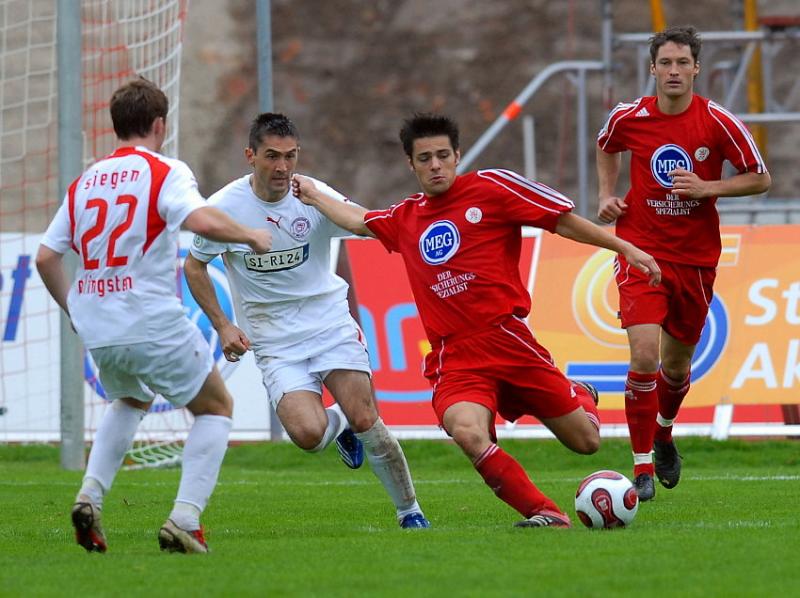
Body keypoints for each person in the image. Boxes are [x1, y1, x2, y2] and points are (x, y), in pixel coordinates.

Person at [292, 113, 662, 528]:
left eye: (443, 156)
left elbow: (561, 222)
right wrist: (312, 194)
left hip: (507, 339)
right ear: (410, 165)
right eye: (425, 158)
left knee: (586, 442)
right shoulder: (407, 218)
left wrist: (623, 247)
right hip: (457, 357)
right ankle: (546, 514)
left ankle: (581, 396)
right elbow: (359, 219)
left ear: (457, 156)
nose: (435, 165)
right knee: (466, 431)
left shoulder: (491, 187)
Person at [36, 77, 272, 554]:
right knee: (216, 407)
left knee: (128, 400)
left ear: (116, 124)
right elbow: (199, 219)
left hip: (99, 324)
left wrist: (74, 310)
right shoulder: (165, 170)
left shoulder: (84, 182)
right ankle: (185, 520)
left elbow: (45, 257)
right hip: (148, 318)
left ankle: (90, 495)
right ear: (159, 124)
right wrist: (248, 234)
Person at [183, 112, 430, 529]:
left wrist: (324, 201)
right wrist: (224, 325)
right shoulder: (224, 209)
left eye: (291, 156)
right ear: (251, 156)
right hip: (274, 339)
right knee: (308, 435)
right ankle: (340, 428)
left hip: (328, 323)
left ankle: (411, 512)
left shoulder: (312, 195)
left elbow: (366, 224)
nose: (282, 167)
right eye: (272, 156)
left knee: (366, 415)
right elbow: (194, 267)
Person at [596, 26, 770, 501]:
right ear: (652, 69)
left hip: (694, 260)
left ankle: (664, 433)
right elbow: (607, 145)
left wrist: (708, 188)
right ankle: (642, 468)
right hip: (640, 249)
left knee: (675, 369)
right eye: (665, 63)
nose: (673, 71)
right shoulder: (628, 117)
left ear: (696, 68)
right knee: (644, 356)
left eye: (682, 63)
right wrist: (607, 195)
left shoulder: (718, 121)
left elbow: (760, 178)